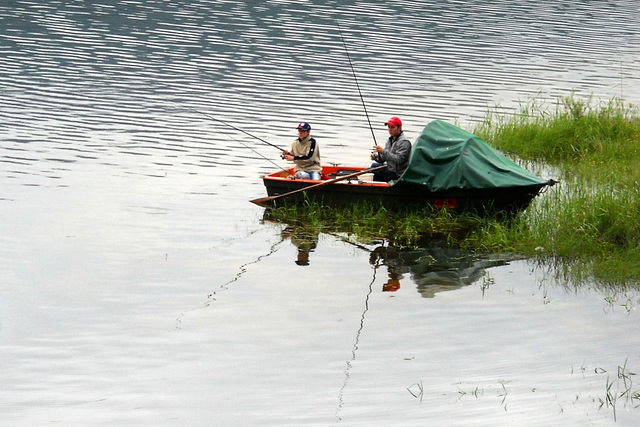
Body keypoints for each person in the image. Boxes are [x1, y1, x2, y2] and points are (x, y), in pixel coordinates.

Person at [370, 116, 412, 182]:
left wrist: (383, 151)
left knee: (373, 173)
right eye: (389, 127)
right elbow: (383, 159)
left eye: (392, 127)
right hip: (391, 168)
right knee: (374, 165)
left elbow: (399, 160)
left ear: (399, 128)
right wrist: (376, 157)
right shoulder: (390, 140)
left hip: (398, 174)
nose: (390, 129)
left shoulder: (404, 142)